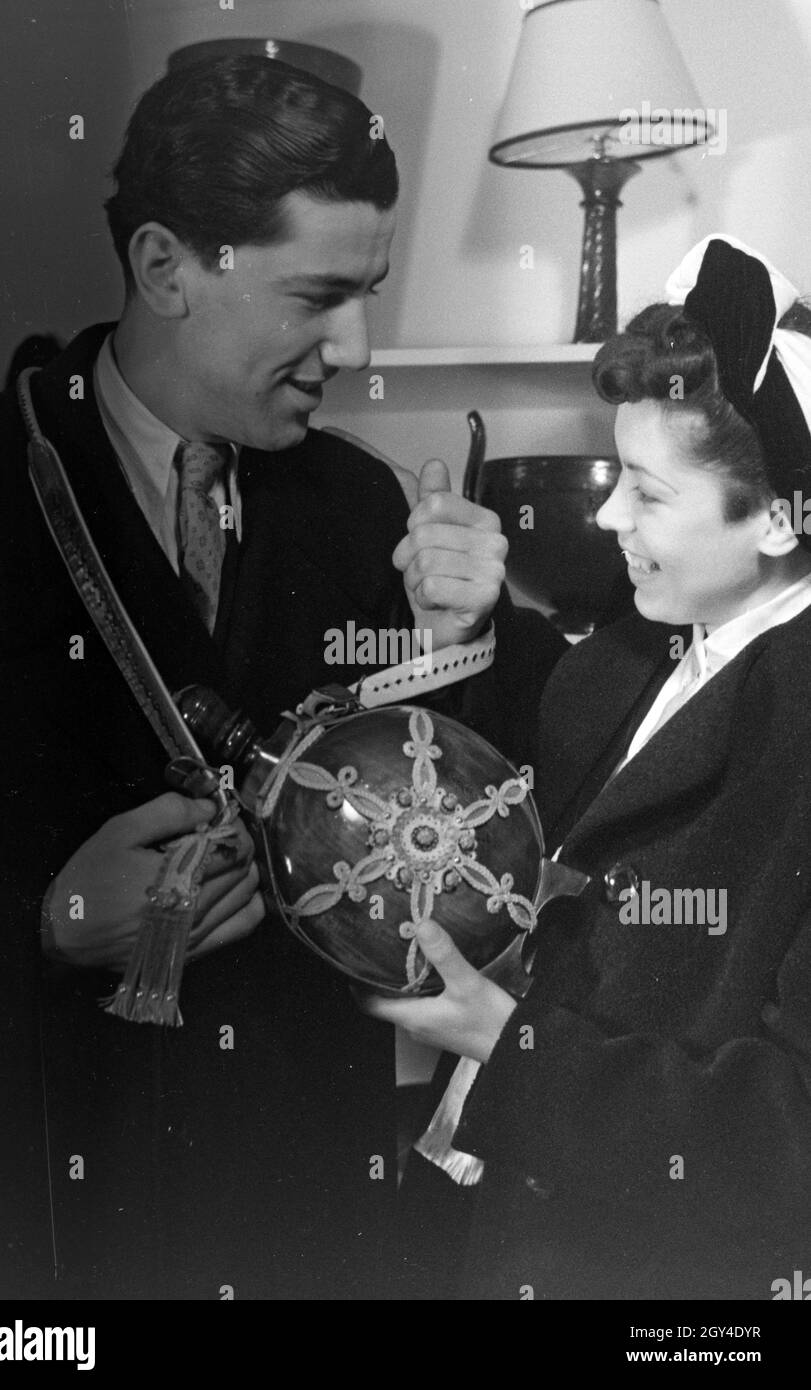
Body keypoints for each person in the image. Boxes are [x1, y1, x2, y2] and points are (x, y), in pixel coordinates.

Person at [0, 54, 564, 1301]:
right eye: (318, 296)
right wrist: (44, 929)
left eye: (369, 293)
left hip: (302, 1202)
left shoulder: (359, 504)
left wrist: (466, 634)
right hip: (50, 1221)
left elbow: (476, 822)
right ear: (167, 267)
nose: (356, 345)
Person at [372, 234, 811, 1300]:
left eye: (651, 497)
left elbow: (789, 1137)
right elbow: (537, 764)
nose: (610, 517)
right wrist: (457, 620)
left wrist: (513, 1048)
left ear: (785, 519)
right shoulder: (646, 645)